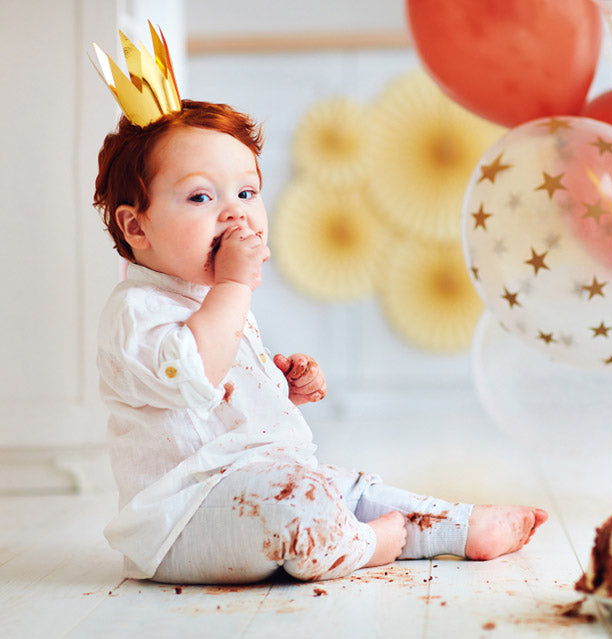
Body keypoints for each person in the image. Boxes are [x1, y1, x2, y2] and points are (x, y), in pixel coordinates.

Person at [92, 96, 547, 583]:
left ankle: (455, 526)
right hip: (184, 518)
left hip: (257, 484)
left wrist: (279, 384)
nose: (236, 216)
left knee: (346, 486)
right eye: (202, 198)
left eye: (247, 193)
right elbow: (197, 374)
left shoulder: (212, 299)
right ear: (135, 226)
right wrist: (232, 286)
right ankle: (371, 543)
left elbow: (221, 392)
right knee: (300, 502)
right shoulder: (137, 311)